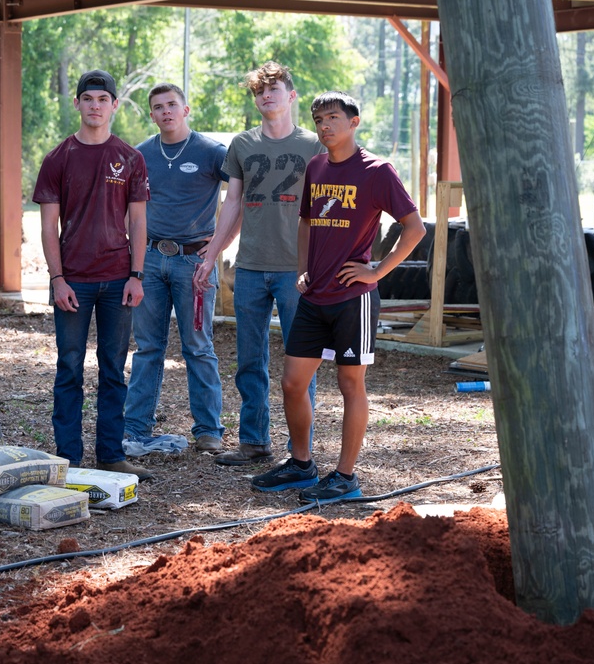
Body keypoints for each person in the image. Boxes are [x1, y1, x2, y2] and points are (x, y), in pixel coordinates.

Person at [250, 90, 426, 501]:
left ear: (353, 122)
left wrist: (377, 269)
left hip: (354, 297)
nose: (325, 125)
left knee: (350, 384)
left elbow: (414, 228)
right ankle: (301, 465)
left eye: (332, 117)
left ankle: (346, 477)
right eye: (318, 120)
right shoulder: (316, 166)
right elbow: (307, 222)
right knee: (292, 383)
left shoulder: (377, 171)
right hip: (315, 295)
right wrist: (302, 270)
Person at [194, 61, 324, 466]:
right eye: (259, 91)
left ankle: (298, 451)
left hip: (296, 271)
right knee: (250, 360)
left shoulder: (314, 146)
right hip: (249, 267)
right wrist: (212, 253)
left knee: (301, 364)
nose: (266, 96)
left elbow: (327, 208)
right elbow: (231, 204)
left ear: (291, 95)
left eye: (274, 88)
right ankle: (253, 442)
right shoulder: (242, 145)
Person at [32, 69, 154, 480]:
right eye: (89, 98)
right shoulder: (58, 158)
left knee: (112, 367)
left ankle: (110, 454)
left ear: (114, 105)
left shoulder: (130, 158)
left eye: (104, 98)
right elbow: (49, 227)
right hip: (74, 282)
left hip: (119, 279)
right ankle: (68, 457)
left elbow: (137, 223)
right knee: (68, 366)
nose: (96, 105)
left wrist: (137, 275)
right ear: (78, 104)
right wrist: (57, 279)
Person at [124, 83, 229, 452]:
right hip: (150, 260)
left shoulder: (212, 153)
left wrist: (214, 252)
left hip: (194, 262)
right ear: (151, 114)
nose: (165, 111)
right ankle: (135, 427)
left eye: (172, 105)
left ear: (186, 110)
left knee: (198, 347)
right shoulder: (139, 154)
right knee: (148, 348)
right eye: (158, 107)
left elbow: (242, 197)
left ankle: (208, 431)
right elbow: (128, 208)